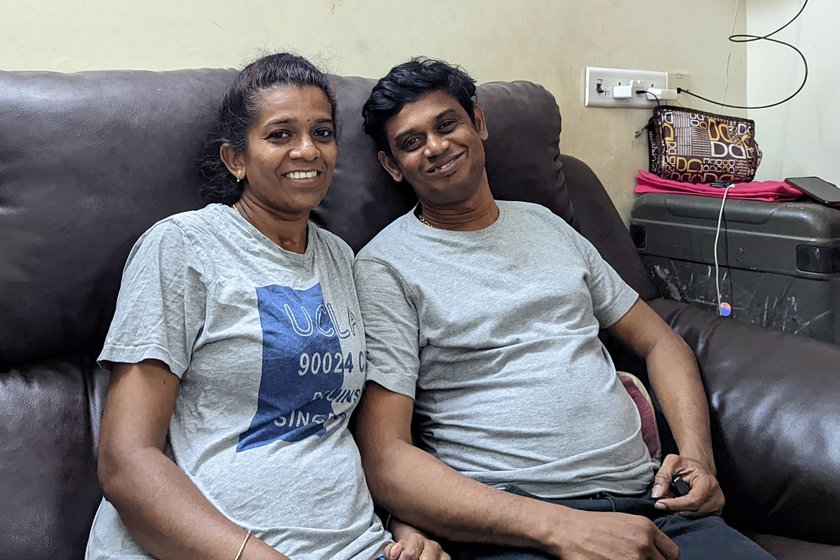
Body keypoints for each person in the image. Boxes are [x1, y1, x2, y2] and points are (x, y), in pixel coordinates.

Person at [352, 57, 776, 560]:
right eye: (411, 142)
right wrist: (560, 529)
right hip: (519, 525)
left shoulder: (547, 225)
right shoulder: (385, 267)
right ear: (391, 165)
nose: (436, 147)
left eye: (447, 125)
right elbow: (384, 457)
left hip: (655, 505)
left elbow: (660, 340)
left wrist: (697, 460)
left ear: (478, 123)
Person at [85, 53, 447, 560]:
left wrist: (406, 528)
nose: (308, 151)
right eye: (280, 135)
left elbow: (350, 432)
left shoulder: (341, 258)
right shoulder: (183, 247)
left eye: (322, 133)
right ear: (236, 158)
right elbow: (126, 460)